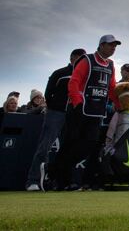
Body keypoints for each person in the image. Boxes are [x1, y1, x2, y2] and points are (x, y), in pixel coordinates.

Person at [54, 35, 121, 190]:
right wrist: (77, 102)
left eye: (115, 46)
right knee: (70, 143)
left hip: (96, 113)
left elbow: (111, 88)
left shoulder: (110, 65)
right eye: (111, 45)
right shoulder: (87, 60)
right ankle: (62, 180)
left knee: (89, 144)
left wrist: (119, 104)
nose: (113, 48)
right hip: (79, 110)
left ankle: (56, 170)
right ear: (101, 45)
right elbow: (74, 81)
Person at [24, 48, 86, 191]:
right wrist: (55, 109)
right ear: (72, 58)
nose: (83, 62)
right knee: (44, 146)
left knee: (67, 150)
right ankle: (32, 181)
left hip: (72, 116)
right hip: (56, 114)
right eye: (80, 59)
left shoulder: (84, 77)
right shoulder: (60, 73)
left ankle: (62, 182)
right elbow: (48, 94)